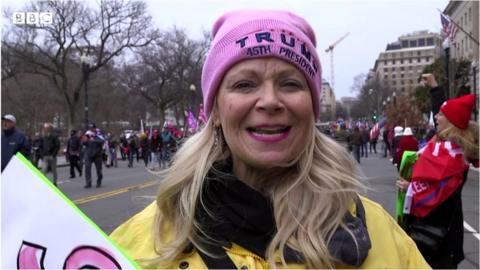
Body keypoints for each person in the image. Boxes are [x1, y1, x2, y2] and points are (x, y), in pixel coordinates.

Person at [110, 10, 429, 269]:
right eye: (245, 85)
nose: (270, 101)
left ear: (312, 108)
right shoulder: (139, 243)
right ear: (216, 111)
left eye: (290, 84)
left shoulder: (382, 233)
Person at [396, 73, 478, 268]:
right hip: (432, 236)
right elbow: (443, 113)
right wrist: (434, 87)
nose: (436, 118)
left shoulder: (454, 156)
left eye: (441, 116)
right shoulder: (442, 145)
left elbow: (437, 196)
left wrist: (411, 187)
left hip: (438, 241)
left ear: (450, 123)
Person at [83, 123, 104, 188]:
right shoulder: (87, 134)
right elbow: (83, 143)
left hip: (97, 154)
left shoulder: (99, 134)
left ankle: (99, 181)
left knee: (99, 170)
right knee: (87, 167)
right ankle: (88, 183)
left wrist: (94, 140)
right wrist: (85, 141)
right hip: (88, 154)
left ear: (95, 128)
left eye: (92, 128)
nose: (91, 129)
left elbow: (102, 142)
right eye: (90, 128)